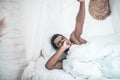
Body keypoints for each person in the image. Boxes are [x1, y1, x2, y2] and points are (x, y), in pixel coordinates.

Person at [45, 0, 87, 70]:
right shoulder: (66, 59)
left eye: (62, 38)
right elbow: (48, 66)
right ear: (58, 49)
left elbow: (79, 23)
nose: (63, 41)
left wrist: (82, 3)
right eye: (59, 43)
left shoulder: (74, 38)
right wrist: (63, 48)